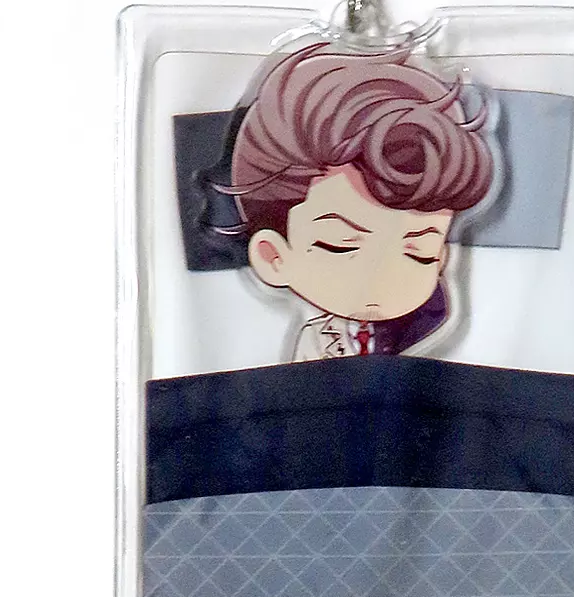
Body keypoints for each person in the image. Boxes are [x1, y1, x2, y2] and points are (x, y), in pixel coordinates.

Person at [203, 40, 497, 362]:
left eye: (420, 251)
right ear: (273, 256)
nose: (382, 276)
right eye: (340, 245)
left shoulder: (426, 329)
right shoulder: (317, 341)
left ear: (440, 259)